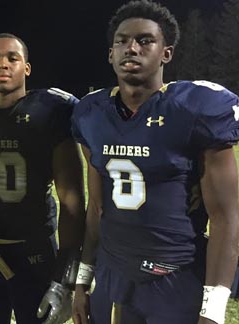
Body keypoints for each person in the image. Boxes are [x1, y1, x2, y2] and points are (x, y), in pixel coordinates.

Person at [71, 1, 239, 323]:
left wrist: (214, 309)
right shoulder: (91, 114)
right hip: (113, 275)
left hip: (175, 279)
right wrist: (82, 280)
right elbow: (97, 207)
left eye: (145, 40)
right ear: (110, 54)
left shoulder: (194, 110)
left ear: (167, 53)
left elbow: (225, 217)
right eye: (121, 41)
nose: (131, 48)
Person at [0, 33, 86, 324]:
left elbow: (72, 204)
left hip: (36, 254)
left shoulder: (51, 113)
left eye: (13, 58)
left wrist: (64, 280)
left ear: (27, 68)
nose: (2, 64)